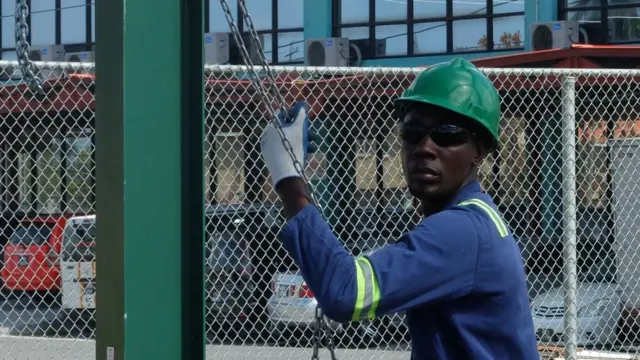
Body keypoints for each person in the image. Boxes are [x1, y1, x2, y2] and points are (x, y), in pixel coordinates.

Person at [259, 57, 539, 360]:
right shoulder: (476, 219)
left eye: (447, 134)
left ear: (479, 152)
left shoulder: (462, 230)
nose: (425, 148)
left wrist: (288, 180)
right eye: (412, 132)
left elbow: (345, 292)